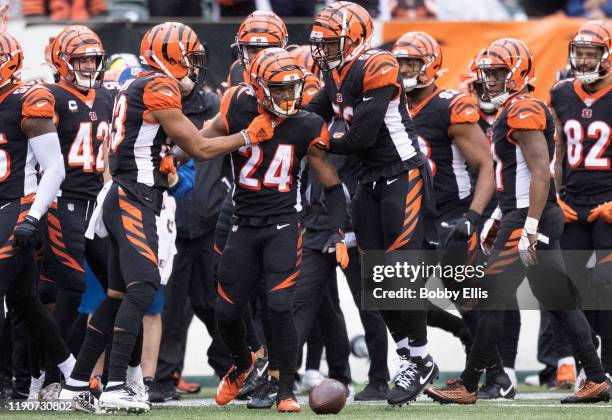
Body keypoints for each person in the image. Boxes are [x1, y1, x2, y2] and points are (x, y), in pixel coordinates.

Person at [59, 21, 275, 413]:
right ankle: (115, 386)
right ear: (171, 56)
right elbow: (200, 147)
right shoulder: (159, 85)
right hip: (133, 197)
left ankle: (76, 384)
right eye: (189, 57)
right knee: (143, 287)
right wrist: (248, 136)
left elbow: (154, 144)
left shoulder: (137, 82)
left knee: (118, 295)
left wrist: (164, 160)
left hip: (128, 191)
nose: (194, 65)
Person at [425, 37, 610, 405]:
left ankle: (468, 383)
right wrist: (499, 216)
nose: (488, 81)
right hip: (525, 212)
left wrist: (528, 226)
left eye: (497, 74)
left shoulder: (523, 109)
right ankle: (597, 376)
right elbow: (515, 176)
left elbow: (541, 173)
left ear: (519, 74)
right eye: (487, 74)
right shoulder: (516, 107)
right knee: (558, 299)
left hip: (530, 216)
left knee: (492, 298)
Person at [203, 48, 349, 413]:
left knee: (280, 305)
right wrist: (245, 137)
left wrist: (339, 231)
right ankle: (242, 364)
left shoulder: (307, 124)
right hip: (241, 224)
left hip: (284, 225)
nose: (288, 97)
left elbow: (330, 184)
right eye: (279, 90)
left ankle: (285, 388)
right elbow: (202, 143)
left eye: (292, 89)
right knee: (226, 312)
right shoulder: (237, 104)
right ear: (258, 89)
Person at [306, 1, 436, 406]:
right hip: (370, 180)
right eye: (321, 43)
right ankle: (415, 358)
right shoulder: (334, 71)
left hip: (403, 174)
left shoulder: (378, 64)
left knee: (399, 272)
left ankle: (414, 359)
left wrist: (318, 143)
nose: (324, 49)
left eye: (331, 42)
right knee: (375, 283)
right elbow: (315, 112)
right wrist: (286, 122)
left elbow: (361, 135)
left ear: (355, 38)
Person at [33, 25, 114, 400]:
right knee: (70, 288)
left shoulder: (108, 97)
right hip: (60, 201)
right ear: (62, 61)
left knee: (119, 286)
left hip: (96, 204)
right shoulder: (48, 96)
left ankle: (114, 375)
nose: (87, 64)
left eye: (92, 58)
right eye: (79, 57)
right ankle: (49, 375)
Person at [0, 31, 76, 402]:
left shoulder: (26, 99)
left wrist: (33, 216)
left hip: (18, 205)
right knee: (25, 301)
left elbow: (55, 168)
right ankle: (73, 373)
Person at [551, 20, 612, 378]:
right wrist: (555, 196)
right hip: (572, 201)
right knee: (571, 288)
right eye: (580, 54)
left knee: (607, 287)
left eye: (592, 55)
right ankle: (588, 364)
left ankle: (608, 368)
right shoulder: (561, 92)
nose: (585, 61)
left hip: (608, 202)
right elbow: (557, 149)